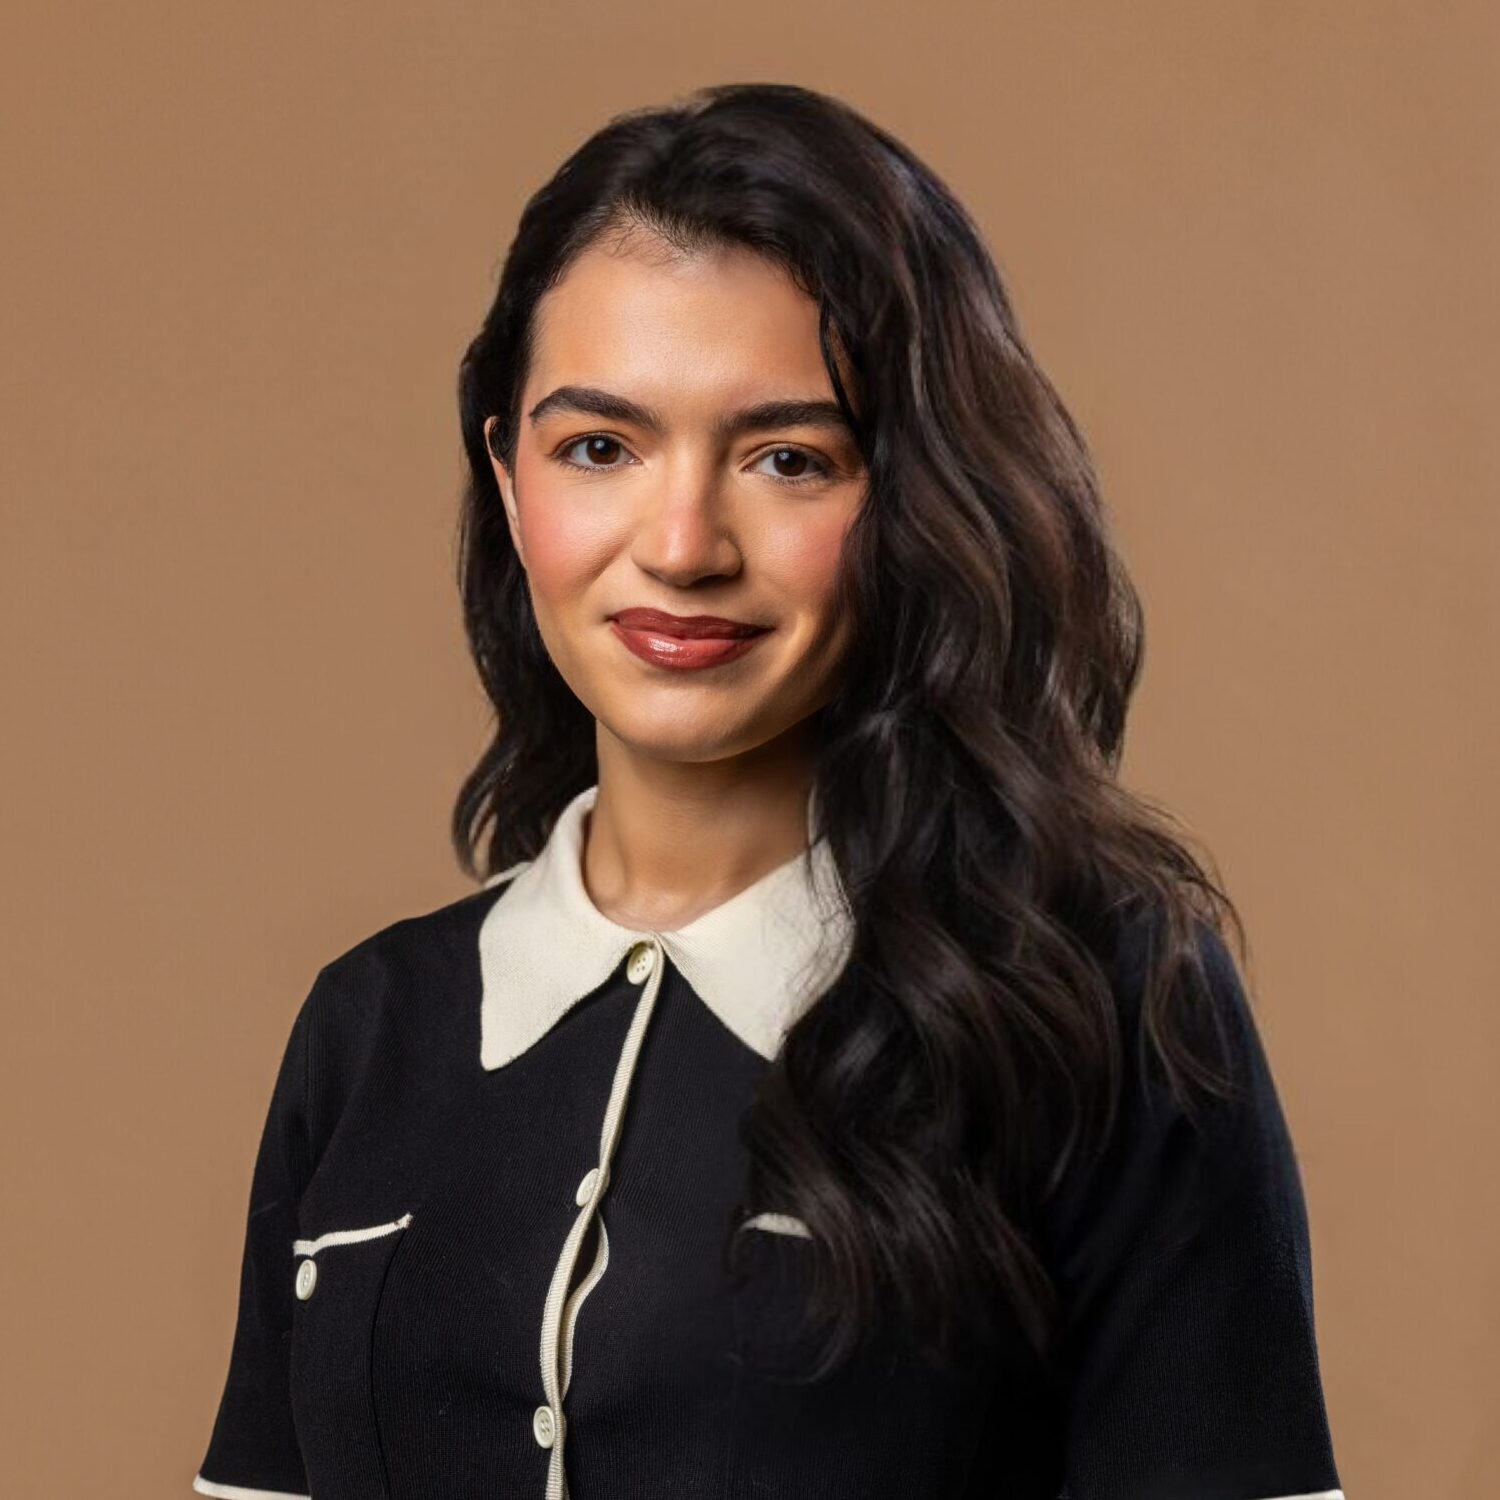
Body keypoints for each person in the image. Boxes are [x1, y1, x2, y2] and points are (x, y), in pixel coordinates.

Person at [191, 82, 1344, 1500]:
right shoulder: (370, 1031)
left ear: (917, 496)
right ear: (506, 478)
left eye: (789, 458)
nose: (681, 545)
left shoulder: (1111, 1013)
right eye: (598, 447)